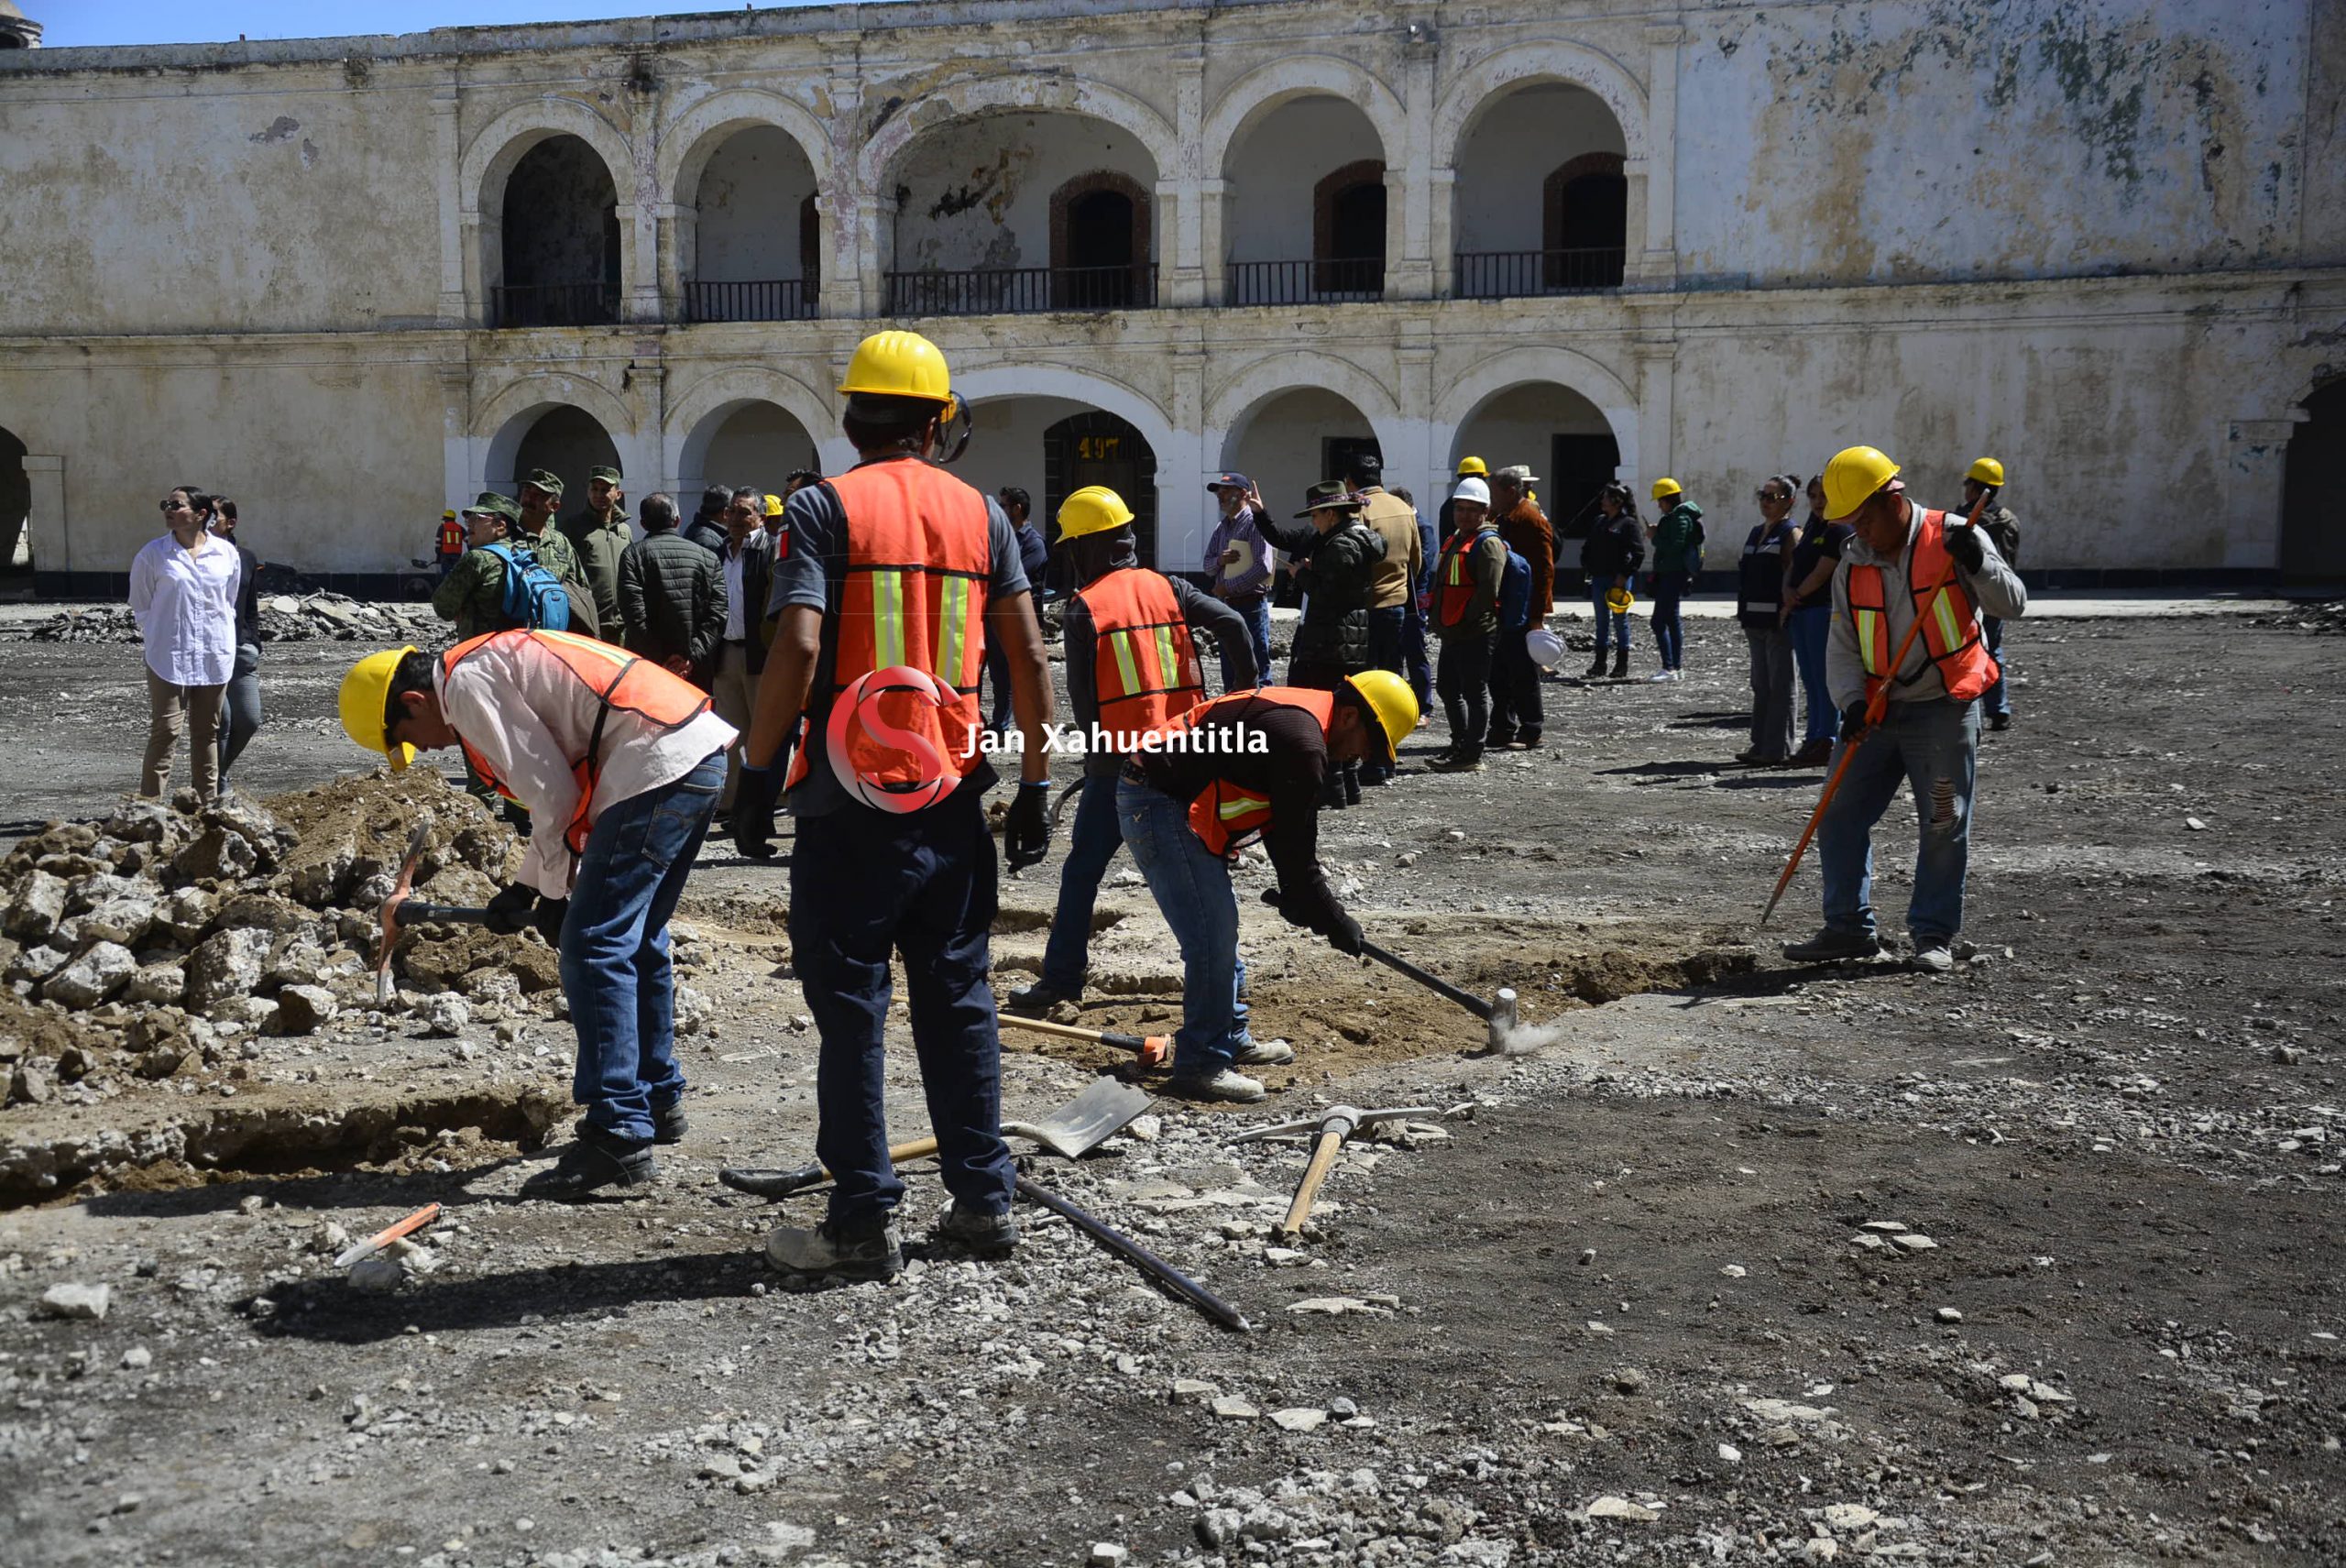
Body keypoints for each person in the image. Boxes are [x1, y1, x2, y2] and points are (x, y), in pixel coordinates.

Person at [731, 330, 1057, 1281]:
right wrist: (1034, 782)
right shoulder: (985, 518)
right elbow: (1030, 658)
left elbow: (794, 649)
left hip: (846, 804)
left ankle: (862, 1217)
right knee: (957, 1002)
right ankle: (982, 1201)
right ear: (937, 420)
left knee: (851, 1012)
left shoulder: (822, 509)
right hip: (950, 798)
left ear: (850, 414)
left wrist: (757, 774)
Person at [337, 631, 734, 1198]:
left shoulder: (468, 686)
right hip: (689, 754)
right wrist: (525, 889)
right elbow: (557, 791)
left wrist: (554, 895)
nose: (424, 751)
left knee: (594, 944)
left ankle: (617, 1132)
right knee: (639, 935)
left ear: (413, 702)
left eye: (407, 739)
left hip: (655, 764)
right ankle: (655, 1096)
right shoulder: (480, 667)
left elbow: (553, 794)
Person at [1006, 485, 1254, 1014]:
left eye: (1073, 546)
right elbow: (1232, 624)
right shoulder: (1168, 587)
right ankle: (1229, 991)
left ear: (1087, 547)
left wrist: (1099, 759)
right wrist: (1243, 696)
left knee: (1082, 873)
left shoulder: (1085, 607)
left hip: (1121, 769)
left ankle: (1061, 980)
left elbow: (1084, 702)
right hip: (1186, 759)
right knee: (1202, 879)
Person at [1119, 671, 1419, 1102]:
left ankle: (1231, 1035)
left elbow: (1285, 832)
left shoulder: (1306, 718)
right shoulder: (1303, 741)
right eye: (1368, 745)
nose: (1359, 757)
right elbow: (1297, 854)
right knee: (1211, 935)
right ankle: (1201, 1064)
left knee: (1219, 927)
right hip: (1157, 802)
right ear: (1351, 716)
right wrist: (1333, 918)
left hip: (1173, 798)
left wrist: (1307, 902)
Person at [1783, 444, 2026, 972]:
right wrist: (1848, 702)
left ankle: (1932, 935)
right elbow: (1843, 642)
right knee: (1838, 814)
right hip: (1875, 711)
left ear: (1893, 497)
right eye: (1850, 523)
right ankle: (1848, 928)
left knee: (1943, 820)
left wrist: (1979, 564)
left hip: (1943, 707)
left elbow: (2013, 603)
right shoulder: (1853, 562)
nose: (1859, 532)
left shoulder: (1958, 536)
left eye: (1864, 519)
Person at [1259, 482, 1387, 806]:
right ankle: (1346, 786)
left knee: (1322, 713)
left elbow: (1326, 594)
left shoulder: (1340, 546)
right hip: (1348, 639)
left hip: (1331, 642)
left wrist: (1301, 574)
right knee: (1344, 712)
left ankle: (1329, 788)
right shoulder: (1347, 539)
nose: (1312, 522)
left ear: (1331, 514)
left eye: (1315, 515)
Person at [129, 488, 239, 803]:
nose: (168, 509)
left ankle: (206, 806)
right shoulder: (153, 554)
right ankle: (149, 808)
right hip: (168, 655)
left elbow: (228, 603)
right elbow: (141, 605)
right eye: (166, 504)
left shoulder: (225, 554)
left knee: (207, 732)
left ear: (200, 514)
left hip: (213, 653)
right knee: (166, 731)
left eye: (176, 505)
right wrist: (158, 634)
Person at [1346, 455, 1421, 784]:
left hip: (1365, 608)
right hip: (1396, 606)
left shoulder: (1359, 509)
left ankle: (1369, 759)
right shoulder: (1403, 508)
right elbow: (1416, 562)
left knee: (1365, 689)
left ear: (1351, 481)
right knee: (1392, 683)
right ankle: (1388, 756)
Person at [1428, 476, 1507, 773]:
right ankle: (1459, 742)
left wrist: (1464, 618)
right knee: (1448, 689)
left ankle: (1472, 753)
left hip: (1474, 632)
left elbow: (1489, 591)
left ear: (1484, 512)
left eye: (1472, 510)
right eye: (1460, 509)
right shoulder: (1456, 539)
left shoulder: (1488, 544)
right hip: (1452, 630)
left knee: (1475, 693)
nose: (1464, 515)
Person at [709, 488, 775, 819]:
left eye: (744, 512)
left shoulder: (769, 550)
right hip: (727, 652)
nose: (735, 519)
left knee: (766, 729)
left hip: (759, 655)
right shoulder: (719, 551)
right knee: (730, 732)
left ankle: (772, 802)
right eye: (732, 512)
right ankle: (732, 802)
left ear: (760, 517)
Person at [617, 492, 728, 688]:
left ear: (643, 524)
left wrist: (661, 659)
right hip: (695, 670)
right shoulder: (709, 557)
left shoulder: (633, 555)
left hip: (647, 665)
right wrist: (691, 657)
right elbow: (718, 614)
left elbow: (633, 614)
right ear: (677, 520)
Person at [1782, 474, 1854, 765]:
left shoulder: (1839, 529)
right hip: (1801, 609)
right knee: (1810, 679)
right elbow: (1796, 562)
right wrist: (1787, 590)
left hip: (1821, 610)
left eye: (1823, 495)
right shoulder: (1814, 527)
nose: (1818, 502)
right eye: (1812, 496)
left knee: (1824, 680)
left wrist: (1796, 594)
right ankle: (1813, 737)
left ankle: (1827, 738)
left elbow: (1823, 571)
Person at [1485, 465, 1555, 750]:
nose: (1491, 499)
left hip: (1522, 610)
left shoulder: (1530, 520)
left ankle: (1531, 729)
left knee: (1522, 672)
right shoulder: (1503, 517)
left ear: (1510, 492)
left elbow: (1544, 571)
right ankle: (1502, 726)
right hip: (1504, 607)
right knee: (1498, 671)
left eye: (1494, 493)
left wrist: (1537, 617)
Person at [1736, 477, 1801, 765]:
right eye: (1763, 494)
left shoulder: (1790, 533)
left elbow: (1793, 573)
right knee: (1760, 685)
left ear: (1789, 501)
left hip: (1777, 621)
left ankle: (1777, 749)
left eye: (1772, 497)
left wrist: (1786, 608)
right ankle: (1759, 744)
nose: (1765, 501)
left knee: (1780, 685)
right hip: (1754, 619)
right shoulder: (1755, 532)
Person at [209, 499, 265, 790]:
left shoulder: (245, 558)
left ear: (230, 522)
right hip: (210, 651)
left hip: (240, 650)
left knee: (249, 719)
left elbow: (250, 604)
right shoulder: (196, 556)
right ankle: (212, 786)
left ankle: (215, 774)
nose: (205, 518)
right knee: (222, 722)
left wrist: (253, 641)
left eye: (213, 514)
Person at [984, 487, 1050, 734]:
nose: (1000, 511)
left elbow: (1012, 576)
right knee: (993, 673)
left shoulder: (1033, 544)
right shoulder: (1005, 539)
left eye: (1004, 506)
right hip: (994, 616)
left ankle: (1003, 728)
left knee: (1006, 677)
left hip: (1018, 620)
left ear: (1017, 509)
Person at [1965, 458, 2022, 731]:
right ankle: (1999, 709)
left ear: (1975, 488)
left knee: (1969, 652)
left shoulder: (1966, 521)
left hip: (1972, 598)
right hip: (1999, 596)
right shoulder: (2010, 520)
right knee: (1994, 651)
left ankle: (1971, 709)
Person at [1203, 472, 1274, 689]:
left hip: (1250, 606)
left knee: (1256, 668)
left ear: (1243, 493)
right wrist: (1220, 560)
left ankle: (1260, 718)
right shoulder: (1221, 527)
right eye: (1219, 491)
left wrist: (1228, 587)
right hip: (1228, 607)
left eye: (1226, 491)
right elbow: (1207, 566)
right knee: (1230, 669)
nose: (1220, 496)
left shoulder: (1254, 523)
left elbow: (1264, 567)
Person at [514, 469, 601, 639]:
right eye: (526, 492)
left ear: (555, 506)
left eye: (538, 495)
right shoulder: (507, 536)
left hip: (553, 636)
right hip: (514, 638)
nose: (529, 499)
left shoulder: (560, 543)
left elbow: (580, 590)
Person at [558, 464, 630, 636]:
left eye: (605, 490)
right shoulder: (573, 528)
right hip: (589, 623)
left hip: (622, 624)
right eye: (594, 489)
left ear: (618, 494)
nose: (599, 495)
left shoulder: (624, 530)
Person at [1581, 483, 1644, 677]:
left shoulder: (1628, 524)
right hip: (1599, 578)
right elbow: (1590, 546)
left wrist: (1625, 574)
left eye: (1606, 497)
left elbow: (1638, 553)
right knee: (1601, 622)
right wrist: (1587, 565)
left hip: (1618, 580)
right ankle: (1600, 663)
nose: (1602, 500)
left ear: (1616, 501)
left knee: (1619, 621)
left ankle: (1621, 664)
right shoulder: (1599, 521)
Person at [1647, 477, 1705, 681]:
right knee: (1672, 620)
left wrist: (1655, 537)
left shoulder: (1680, 518)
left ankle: (1668, 668)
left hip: (1673, 575)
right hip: (1670, 574)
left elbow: (1675, 546)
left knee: (1658, 622)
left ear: (1667, 499)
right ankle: (1676, 667)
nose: (1658, 505)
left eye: (1660, 501)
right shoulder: (1677, 517)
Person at [683, 485, 732, 556]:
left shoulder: (695, 527)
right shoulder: (708, 540)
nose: (736, 517)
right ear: (726, 513)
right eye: (733, 510)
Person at [435, 509, 466, 579]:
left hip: (445, 554)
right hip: (457, 554)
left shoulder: (442, 527)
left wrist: (438, 555)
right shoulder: (460, 528)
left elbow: (438, 543)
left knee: (445, 574)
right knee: (456, 574)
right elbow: (468, 540)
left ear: (446, 518)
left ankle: (445, 588)